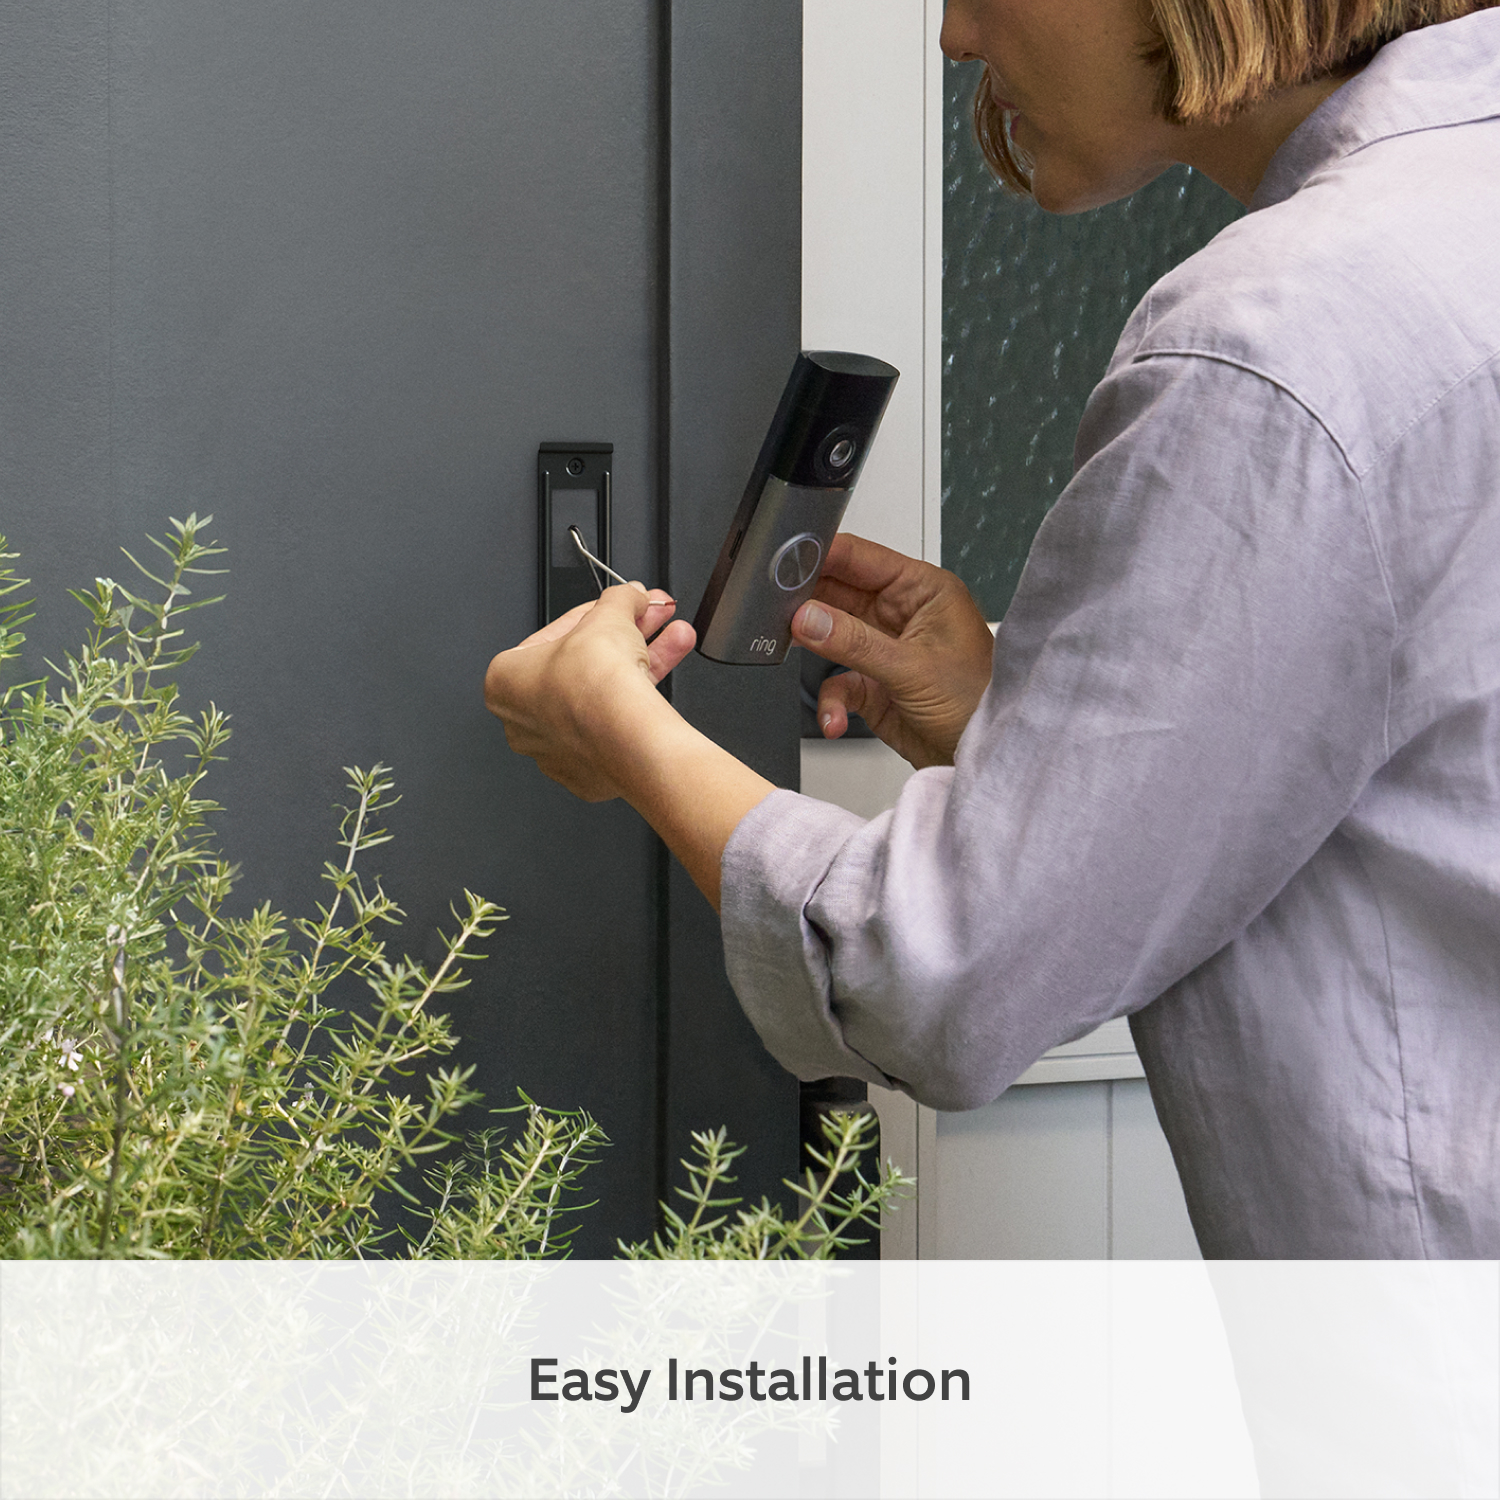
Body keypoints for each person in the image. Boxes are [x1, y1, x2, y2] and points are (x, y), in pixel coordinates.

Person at [486, 0, 1500, 1258]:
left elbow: (947, 979)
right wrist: (1010, 720)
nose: (957, 37)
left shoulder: (1280, 344)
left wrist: (623, 734)